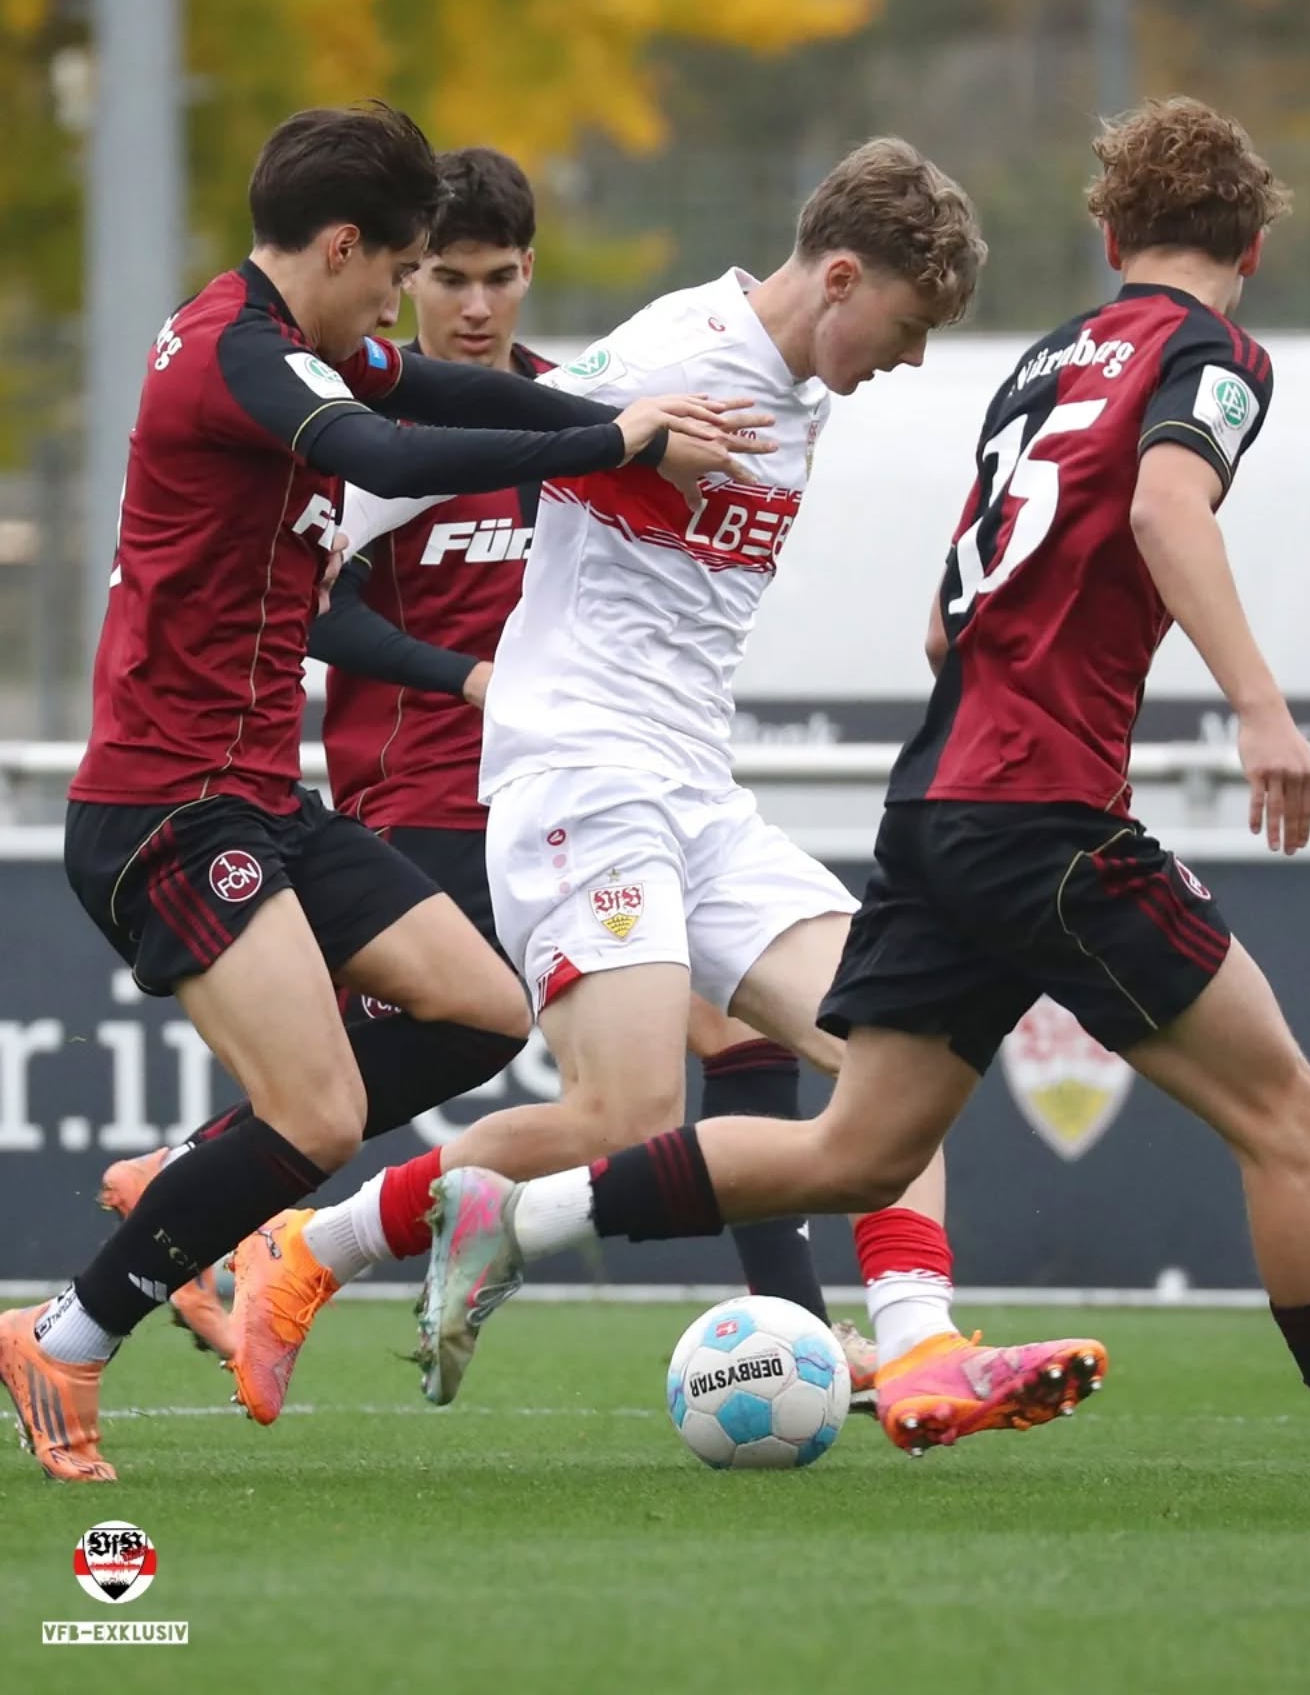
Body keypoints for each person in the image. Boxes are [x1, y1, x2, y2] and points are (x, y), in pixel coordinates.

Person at [414, 94, 1310, 1504]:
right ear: (1251, 244)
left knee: (861, 1147)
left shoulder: (1043, 363)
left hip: (937, 804)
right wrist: (1260, 704)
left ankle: (524, 1218)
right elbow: (1161, 511)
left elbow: (953, 624)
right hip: (1046, 814)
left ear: (1106, 232)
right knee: (1292, 1120)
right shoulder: (1210, 353)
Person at [232, 136, 1104, 1442]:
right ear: (845, 277)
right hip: (581, 769)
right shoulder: (677, 353)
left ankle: (920, 1357)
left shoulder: (796, 394)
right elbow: (385, 480)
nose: (912, 360)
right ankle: (310, 1249)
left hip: (699, 790)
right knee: (626, 1115)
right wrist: (603, 439)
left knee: (904, 1049)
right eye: (911, 328)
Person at [0, 101, 764, 1484]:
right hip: (164, 810)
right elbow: (392, 455)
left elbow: (438, 398)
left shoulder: (301, 338)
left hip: (258, 798)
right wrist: (619, 448)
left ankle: (190, 1176)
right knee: (321, 1115)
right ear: (346, 245)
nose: (407, 307)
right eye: (401, 271)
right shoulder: (237, 354)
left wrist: (611, 413)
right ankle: (62, 1334)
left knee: (479, 1003)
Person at [165, 144, 868, 1416]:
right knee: (513, 1079)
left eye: (497, 279)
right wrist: (464, 678)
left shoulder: (570, 408)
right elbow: (310, 578)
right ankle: (198, 1196)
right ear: (403, 272)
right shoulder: (403, 430)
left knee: (724, 1047)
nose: (471, 305)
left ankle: (833, 1339)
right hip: (434, 796)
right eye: (442, 276)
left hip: (603, 788)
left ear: (530, 275)